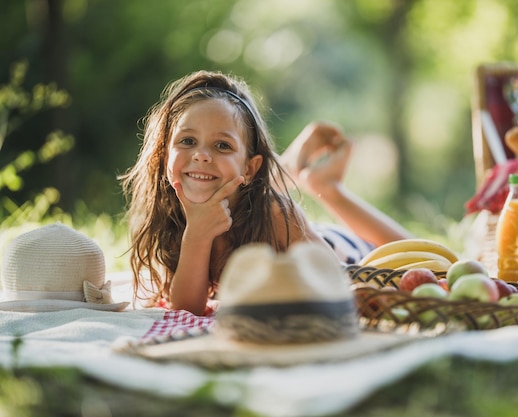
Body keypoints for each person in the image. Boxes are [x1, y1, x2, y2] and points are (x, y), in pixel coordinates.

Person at [119, 70, 413, 316]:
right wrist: (197, 233)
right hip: (270, 213)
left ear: (250, 167)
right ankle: (291, 166)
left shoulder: (277, 214)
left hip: (335, 253)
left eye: (222, 145)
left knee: (414, 257)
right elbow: (187, 308)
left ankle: (327, 188)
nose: (201, 155)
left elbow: (339, 281)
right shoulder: (171, 214)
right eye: (187, 141)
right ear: (164, 155)